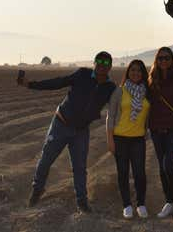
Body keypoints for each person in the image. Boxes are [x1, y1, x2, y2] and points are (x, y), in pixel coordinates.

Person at [19, 51, 116, 212]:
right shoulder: (82, 74)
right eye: (99, 61)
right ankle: (37, 191)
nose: (102, 65)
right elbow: (58, 82)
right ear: (94, 63)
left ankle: (82, 201)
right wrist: (31, 84)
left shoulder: (110, 88)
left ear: (110, 67)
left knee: (79, 167)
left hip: (81, 131)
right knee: (46, 159)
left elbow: (119, 105)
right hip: (61, 124)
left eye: (106, 63)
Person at [147, 47, 173, 220]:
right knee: (162, 168)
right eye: (161, 58)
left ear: (172, 59)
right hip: (157, 130)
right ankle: (169, 202)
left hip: (172, 130)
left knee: (168, 165)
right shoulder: (152, 79)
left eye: (167, 58)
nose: (163, 61)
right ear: (156, 60)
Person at [106, 59, 150, 219]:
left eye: (139, 70)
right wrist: (110, 139)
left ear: (143, 74)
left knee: (140, 173)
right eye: (132, 70)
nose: (136, 73)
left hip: (138, 139)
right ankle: (126, 205)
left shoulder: (147, 92)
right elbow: (110, 116)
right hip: (120, 139)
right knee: (123, 173)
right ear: (128, 73)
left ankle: (141, 204)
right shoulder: (120, 91)